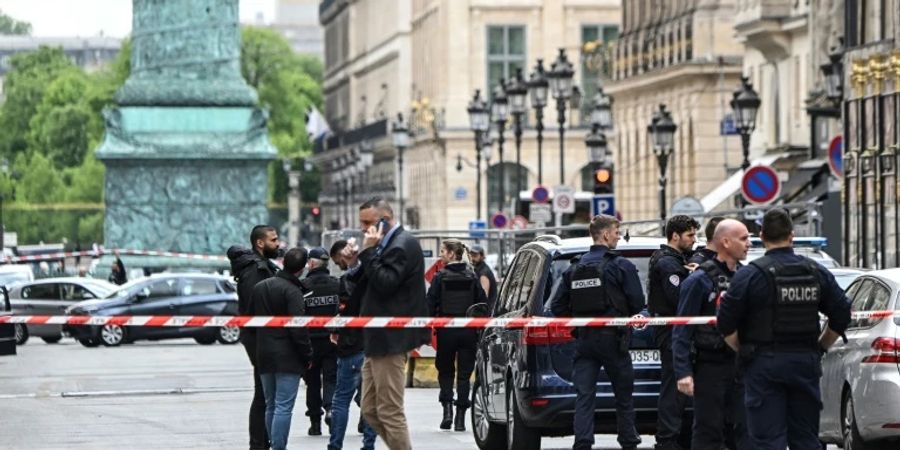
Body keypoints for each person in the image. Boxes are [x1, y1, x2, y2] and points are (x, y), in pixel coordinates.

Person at [717, 209, 851, 449]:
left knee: (767, 441)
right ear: (792, 236)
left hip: (763, 365)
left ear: (762, 235)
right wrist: (821, 345)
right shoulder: (815, 271)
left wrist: (745, 349)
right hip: (804, 363)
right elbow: (842, 314)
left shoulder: (750, 275)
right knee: (806, 439)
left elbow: (725, 323)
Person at [550, 214, 645, 450]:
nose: (619, 236)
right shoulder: (620, 265)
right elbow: (637, 302)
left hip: (584, 341)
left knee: (584, 396)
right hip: (614, 340)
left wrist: (577, 322)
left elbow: (557, 306)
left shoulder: (575, 268)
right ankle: (628, 440)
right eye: (616, 232)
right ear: (605, 234)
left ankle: (582, 442)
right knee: (623, 394)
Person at [341, 197, 430, 450]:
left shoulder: (402, 245)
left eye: (367, 222)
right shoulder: (385, 243)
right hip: (376, 338)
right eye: (362, 222)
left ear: (384, 220)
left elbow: (385, 282)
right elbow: (369, 280)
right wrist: (355, 263)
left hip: (391, 338)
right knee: (370, 409)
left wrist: (369, 252)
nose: (362, 228)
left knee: (390, 410)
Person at [673, 219, 752, 450]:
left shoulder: (749, 277)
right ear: (726, 242)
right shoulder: (699, 280)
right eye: (744, 238)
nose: (749, 244)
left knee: (746, 431)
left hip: (743, 365)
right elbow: (682, 328)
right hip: (710, 366)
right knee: (709, 431)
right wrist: (683, 372)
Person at [251, 247, 313, 450]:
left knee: (271, 404)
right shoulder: (293, 291)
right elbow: (298, 328)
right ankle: (279, 447)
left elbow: (249, 319)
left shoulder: (260, 287)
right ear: (302, 268)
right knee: (284, 406)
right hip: (288, 356)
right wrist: (307, 355)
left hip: (264, 353)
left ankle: (272, 445)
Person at [648, 214, 700, 450]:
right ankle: (667, 441)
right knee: (674, 388)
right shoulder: (668, 263)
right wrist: (692, 277)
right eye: (690, 235)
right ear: (675, 235)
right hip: (670, 331)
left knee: (680, 388)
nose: (694, 239)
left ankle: (677, 438)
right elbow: (679, 298)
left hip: (676, 331)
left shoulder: (677, 260)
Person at [227, 225, 281, 450]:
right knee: (263, 394)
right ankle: (258, 443)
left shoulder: (261, 267)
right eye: (273, 240)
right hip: (260, 337)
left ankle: (260, 441)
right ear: (260, 243)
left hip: (261, 336)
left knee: (266, 393)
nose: (278, 244)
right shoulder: (255, 271)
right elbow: (255, 307)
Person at [426, 239, 487, 431]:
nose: (441, 254)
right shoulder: (473, 275)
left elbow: (429, 305)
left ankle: (447, 412)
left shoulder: (439, 277)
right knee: (463, 376)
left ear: (452, 254)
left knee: (445, 372)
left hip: (446, 332)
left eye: (443, 251)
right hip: (468, 332)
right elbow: (482, 304)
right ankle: (460, 418)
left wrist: (428, 326)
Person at [327, 240, 377, 450]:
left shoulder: (347, 280)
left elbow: (346, 312)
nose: (338, 264)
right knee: (370, 399)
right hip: (374, 344)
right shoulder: (376, 279)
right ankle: (368, 445)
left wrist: (336, 329)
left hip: (351, 346)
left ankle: (335, 445)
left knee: (341, 399)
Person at [301, 247, 341, 436]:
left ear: (311, 263)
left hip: (310, 342)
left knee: (313, 382)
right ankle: (331, 409)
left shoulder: (303, 286)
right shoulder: (336, 284)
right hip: (332, 339)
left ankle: (315, 422)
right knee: (331, 377)